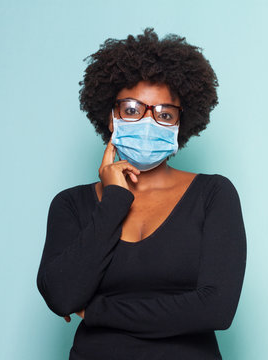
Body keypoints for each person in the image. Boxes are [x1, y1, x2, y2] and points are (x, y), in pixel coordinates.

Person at [36, 28, 247, 360]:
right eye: (132, 109)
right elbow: (62, 297)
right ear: (111, 116)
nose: (148, 122)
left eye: (164, 114)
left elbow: (216, 309)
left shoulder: (213, 195)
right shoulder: (71, 205)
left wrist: (97, 311)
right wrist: (114, 202)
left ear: (180, 124)